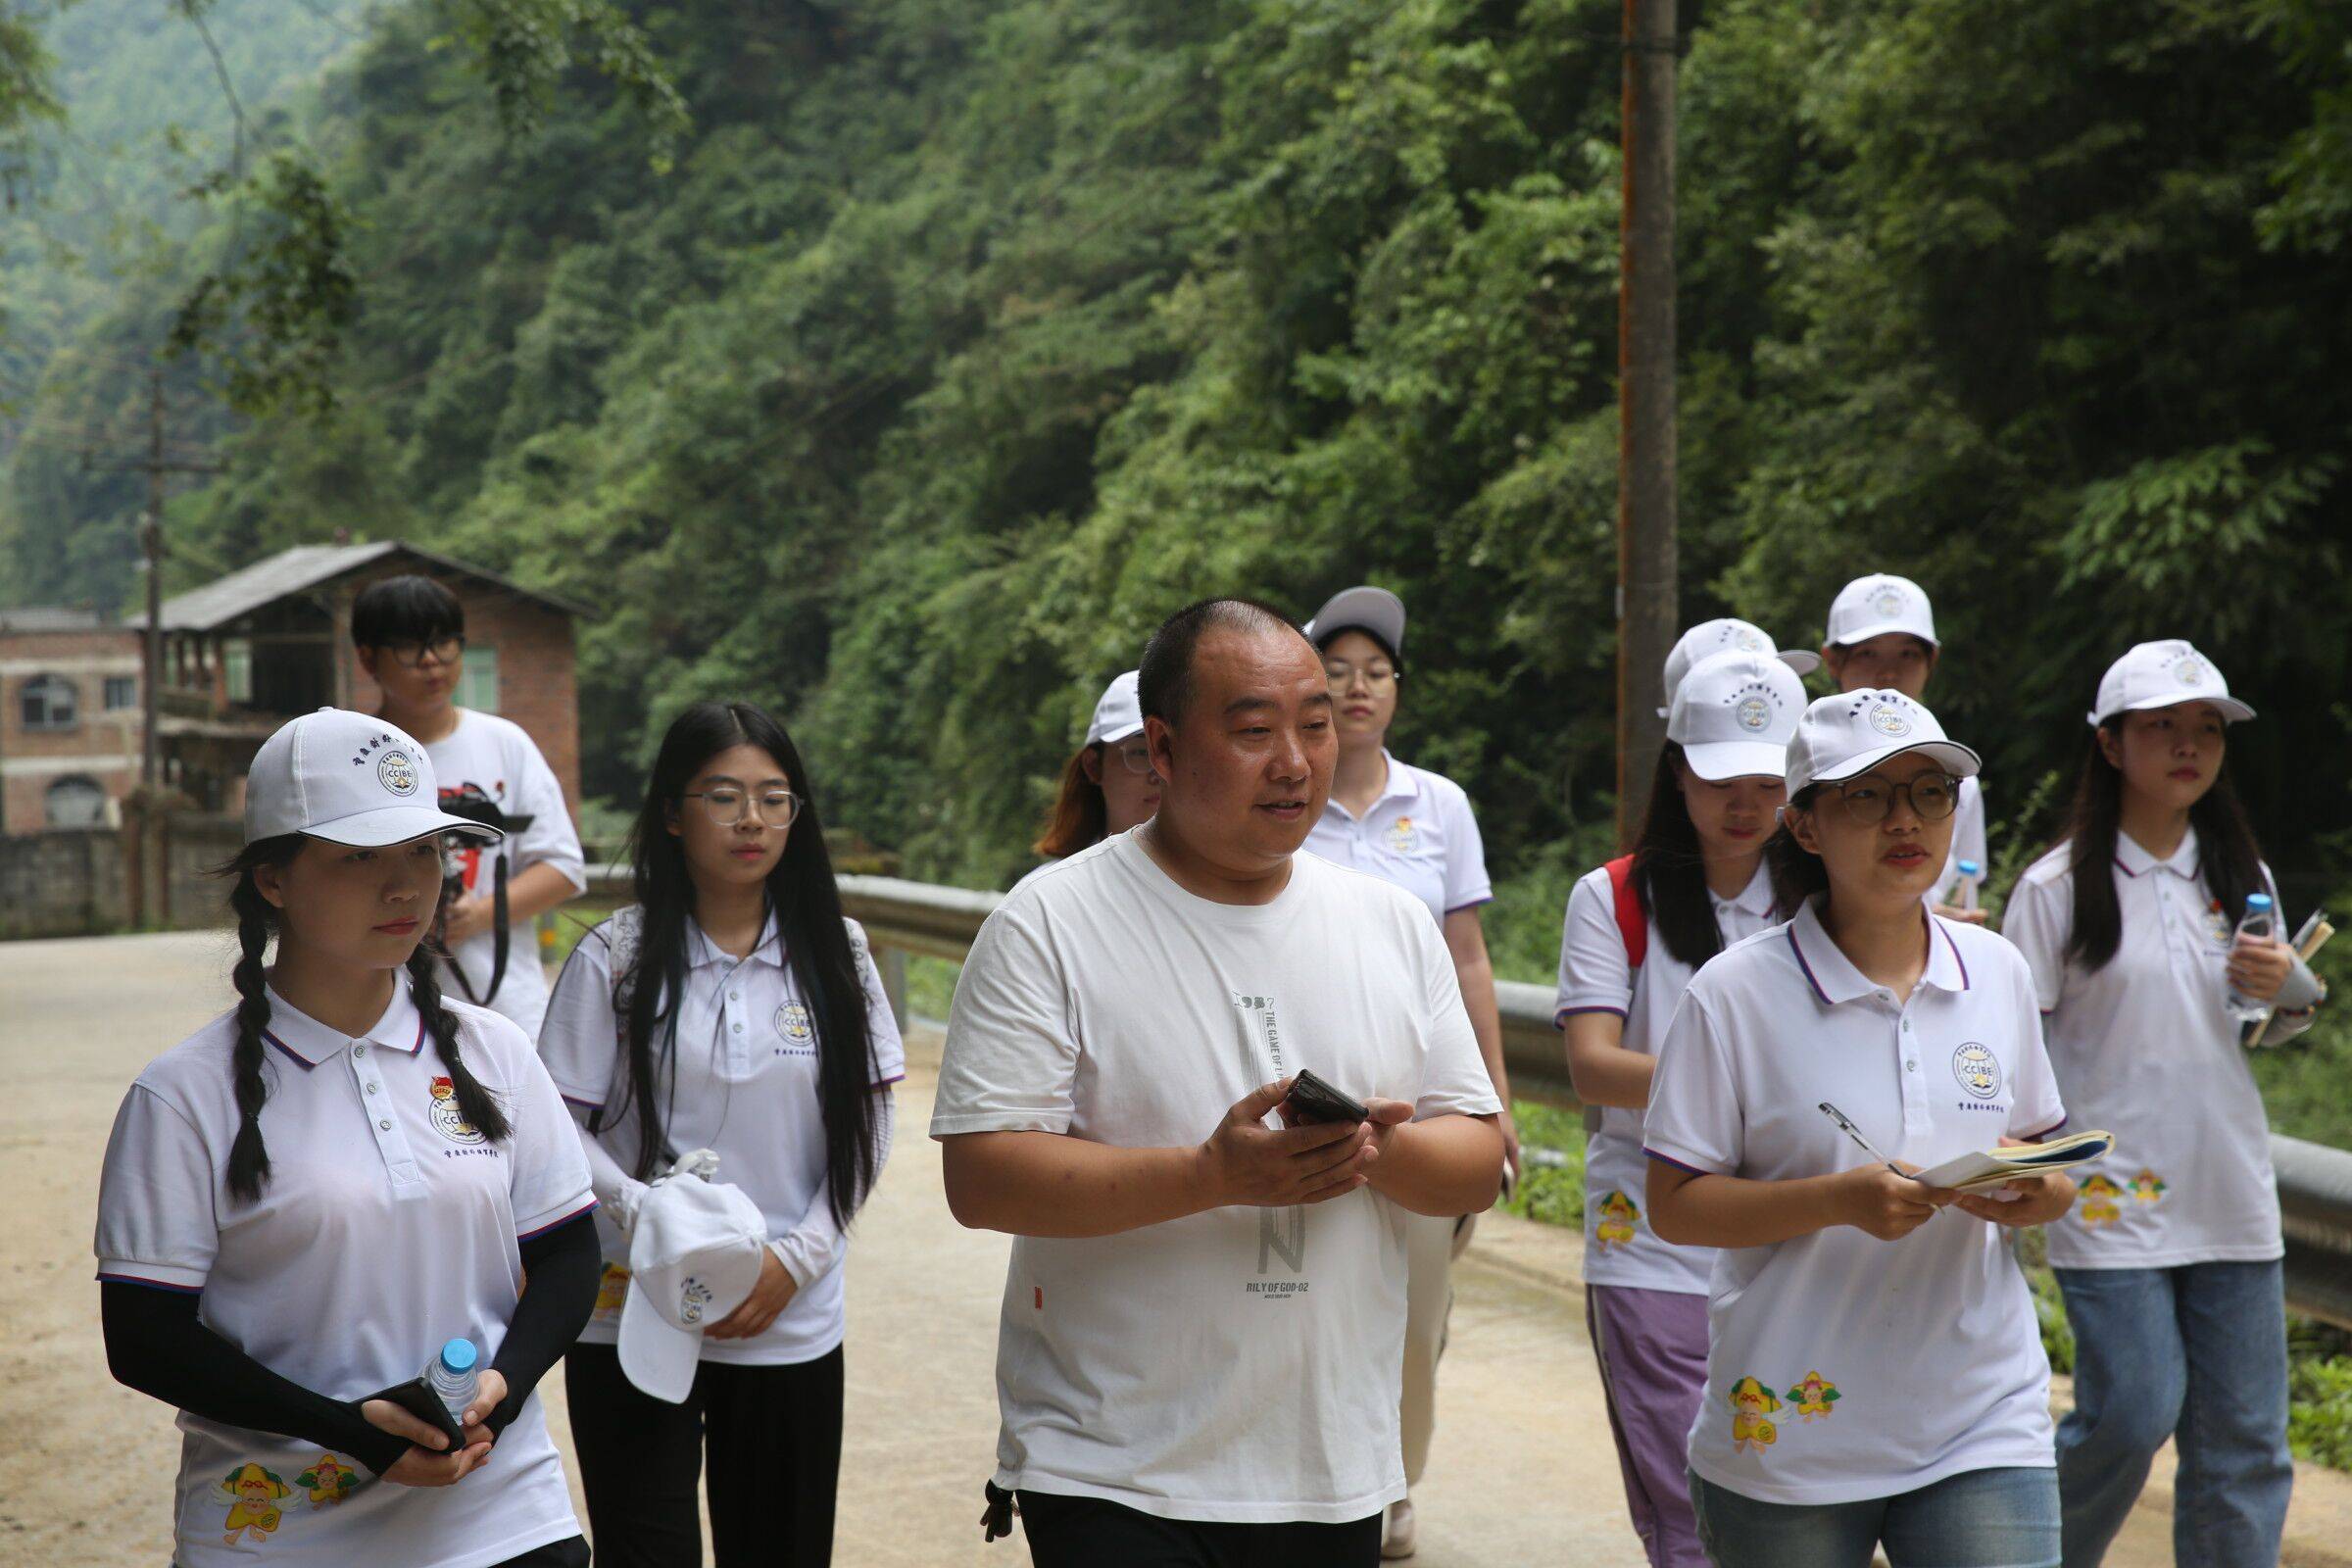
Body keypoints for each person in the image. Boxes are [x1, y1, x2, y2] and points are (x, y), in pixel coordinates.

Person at [932, 597, 1505, 1568]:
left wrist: (1378, 1150)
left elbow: (1477, 1160)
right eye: (1252, 731)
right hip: (1112, 1461)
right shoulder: (1050, 923)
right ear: (1161, 747)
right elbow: (983, 1178)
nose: (1294, 761)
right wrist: (1211, 1175)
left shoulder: (1392, 925)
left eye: (1314, 725)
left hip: (1328, 1462)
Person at [94, 708, 601, 1568]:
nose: (405, 887)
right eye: (360, 857)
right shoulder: (181, 1095)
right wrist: (348, 1431)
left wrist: (501, 1391)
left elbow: (567, 1253)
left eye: (424, 851)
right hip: (276, 1536)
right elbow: (146, 1337)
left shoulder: (496, 1052)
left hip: (504, 1515)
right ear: (273, 879)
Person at [1643, 688, 2077, 1568]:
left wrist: (2039, 1191)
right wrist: (1838, 1201)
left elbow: (2048, 1160)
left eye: (1929, 793)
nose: (1904, 820)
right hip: (1789, 1436)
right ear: (1804, 826)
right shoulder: (1731, 995)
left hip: (1982, 1416)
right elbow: (1674, 1206)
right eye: (1867, 796)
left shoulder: (1996, 970)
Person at [536, 700, 904, 1567]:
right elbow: (557, 1126)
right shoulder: (616, 956)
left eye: (775, 799)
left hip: (787, 1312)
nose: (752, 820)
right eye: (724, 797)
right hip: (634, 1309)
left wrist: (798, 1259)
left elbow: (870, 1117)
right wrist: (644, 1214)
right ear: (673, 812)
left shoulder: (838, 953)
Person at [2000, 640, 2318, 1567]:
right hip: (2109, 1198)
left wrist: (2291, 987)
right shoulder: (2056, 888)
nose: (2189, 745)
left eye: (2207, 729)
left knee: (2245, 1444)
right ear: (2109, 745)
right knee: (2132, 1414)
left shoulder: (2242, 876)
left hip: (2228, 1189)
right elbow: (2010, 1047)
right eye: (2163, 727)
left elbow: (2261, 1026)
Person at [1558, 648, 1805, 1568]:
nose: (1746, 805)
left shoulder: (1825, 901)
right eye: (1721, 782)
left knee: (1791, 1483)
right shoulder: (1614, 897)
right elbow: (1593, 1066)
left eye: (1768, 784)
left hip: (1788, 1226)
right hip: (1648, 1231)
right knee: (1681, 1492)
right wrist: (1731, 1086)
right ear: (1676, 774)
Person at [1296, 583, 1513, 1560]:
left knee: (1420, 1317)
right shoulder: (1285, 797)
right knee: (1307, 1300)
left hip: (1421, 1112)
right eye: (1338, 671)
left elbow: (1469, 959)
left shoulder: (1440, 805)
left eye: (1375, 672)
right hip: (1307, 1103)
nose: (1357, 688)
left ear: (1396, 689)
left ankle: (1393, 1482)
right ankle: (1316, 1479)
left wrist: (1493, 1104)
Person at [353, 574, 586, 1036]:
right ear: (368, 657)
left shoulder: (505, 743)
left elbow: (563, 868)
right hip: (381, 1018)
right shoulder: (356, 756)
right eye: (409, 647)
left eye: (444, 643)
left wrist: (477, 915)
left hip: (506, 1014)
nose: (431, 661)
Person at [1819, 574, 1987, 920]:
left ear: (1932, 660)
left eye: (1908, 654)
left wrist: (1947, 926)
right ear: (1832, 661)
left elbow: (1964, 887)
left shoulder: (1959, 779)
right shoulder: (1803, 774)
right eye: (1868, 653)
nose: (1889, 674)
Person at [1025, 669, 1160, 874]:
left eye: (1176, 753)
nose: (1161, 772)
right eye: (1141, 752)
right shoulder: (1051, 889)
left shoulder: (1213, 888)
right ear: (1094, 766)